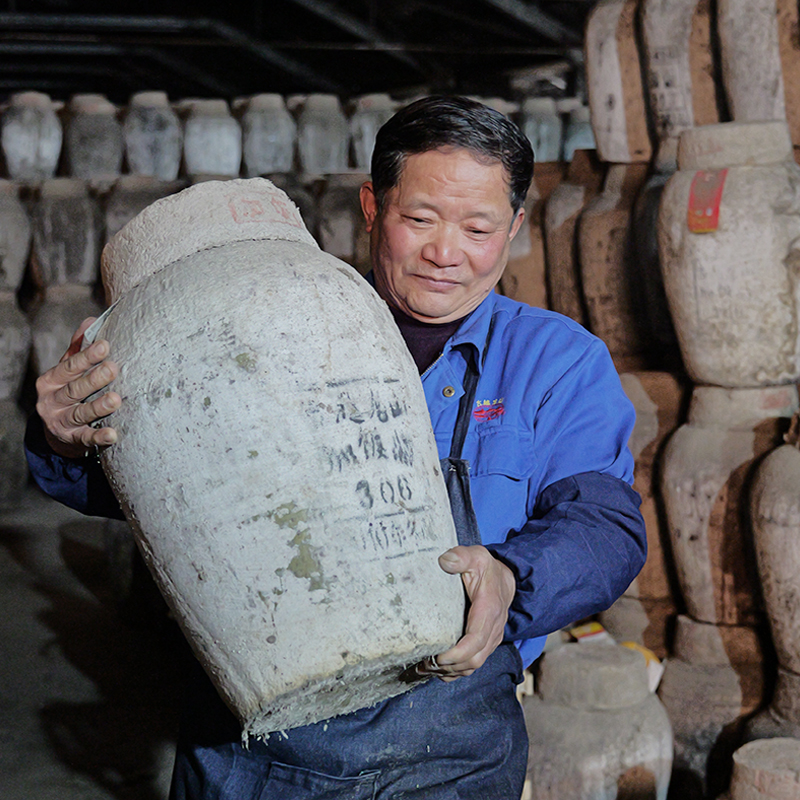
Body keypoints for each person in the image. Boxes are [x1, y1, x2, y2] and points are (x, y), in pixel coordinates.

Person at [26, 95, 646, 799]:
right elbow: (153, 499)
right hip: (255, 751)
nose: (447, 253)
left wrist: (511, 576)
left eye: (479, 228)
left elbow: (605, 526)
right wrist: (63, 438)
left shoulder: (556, 361)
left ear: (515, 229)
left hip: (451, 754)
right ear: (372, 207)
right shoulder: (252, 325)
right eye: (420, 219)